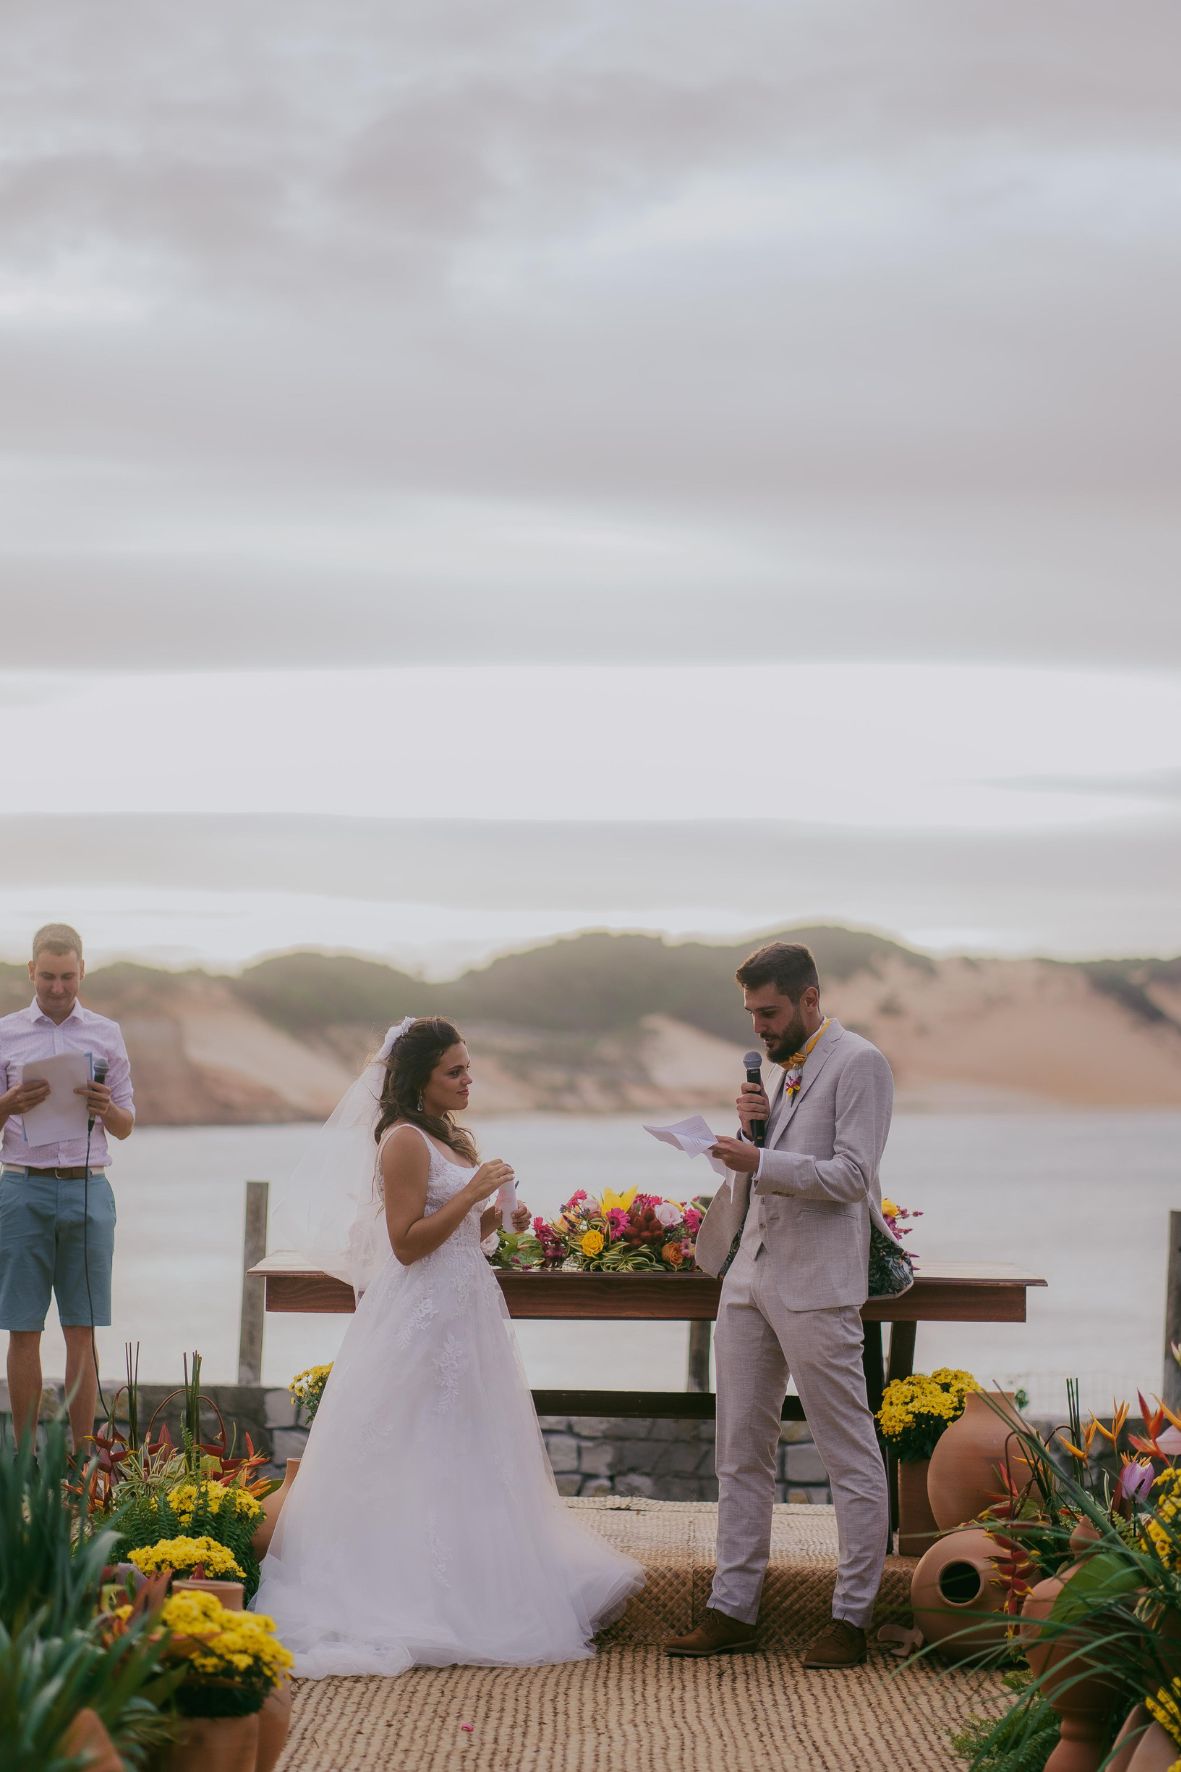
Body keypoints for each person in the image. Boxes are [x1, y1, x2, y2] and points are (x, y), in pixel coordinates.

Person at [254, 1016, 643, 1675]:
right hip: (421, 1316)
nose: (469, 1080)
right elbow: (406, 1245)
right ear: (419, 1080)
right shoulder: (402, 1142)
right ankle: (407, 1592)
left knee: (470, 1447)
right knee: (411, 1445)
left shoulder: (452, 1139)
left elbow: (463, 1235)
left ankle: (476, 1584)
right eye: (454, 1071)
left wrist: (496, 1211)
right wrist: (471, 1192)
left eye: (467, 1068)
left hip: (468, 1312)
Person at [665, 941, 895, 1670]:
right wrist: (750, 1136)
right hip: (747, 1279)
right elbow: (779, 1168)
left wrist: (760, 1158)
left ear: (809, 999)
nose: (758, 1028)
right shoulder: (784, 1071)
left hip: (817, 1286)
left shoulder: (859, 1063)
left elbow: (851, 1176)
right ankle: (732, 1608)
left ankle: (850, 1618)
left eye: (768, 1012)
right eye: (751, 1014)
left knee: (847, 1454)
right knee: (738, 1453)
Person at [0, 923, 135, 1450]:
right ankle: (25, 1456)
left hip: (87, 1189)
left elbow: (126, 1125)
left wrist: (107, 1108)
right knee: (22, 1327)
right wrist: (10, 1104)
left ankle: (85, 1457)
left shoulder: (107, 1032)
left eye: (68, 977)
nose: (58, 988)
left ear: (83, 972)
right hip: (21, 1190)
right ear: (31, 971)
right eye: (49, 977)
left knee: (82, 1329)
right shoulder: (5, 1032)